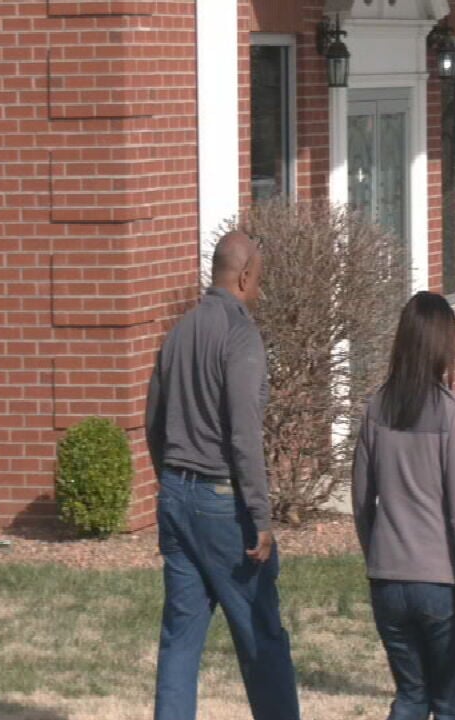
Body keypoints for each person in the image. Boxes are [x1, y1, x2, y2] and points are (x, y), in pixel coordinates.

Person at [145, 231, 300, 720]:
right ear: (245, 273)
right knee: (262, 636)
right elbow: (243, 434)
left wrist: (169, 480)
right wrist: (261, 515)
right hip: (222, 505)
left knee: (180, 641)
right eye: (260, 276)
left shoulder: (180, 331)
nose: (261, 285)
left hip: (175, 495)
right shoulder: (239, 334)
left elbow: (153, 419)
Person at [352, 291, 455, 720]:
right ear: (442, 344)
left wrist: (378, 552)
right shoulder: (450, 412)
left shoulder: (375, 406)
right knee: (449, 705)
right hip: (441, 584)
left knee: (411, 697)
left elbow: (362, 500)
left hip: (388, 580)